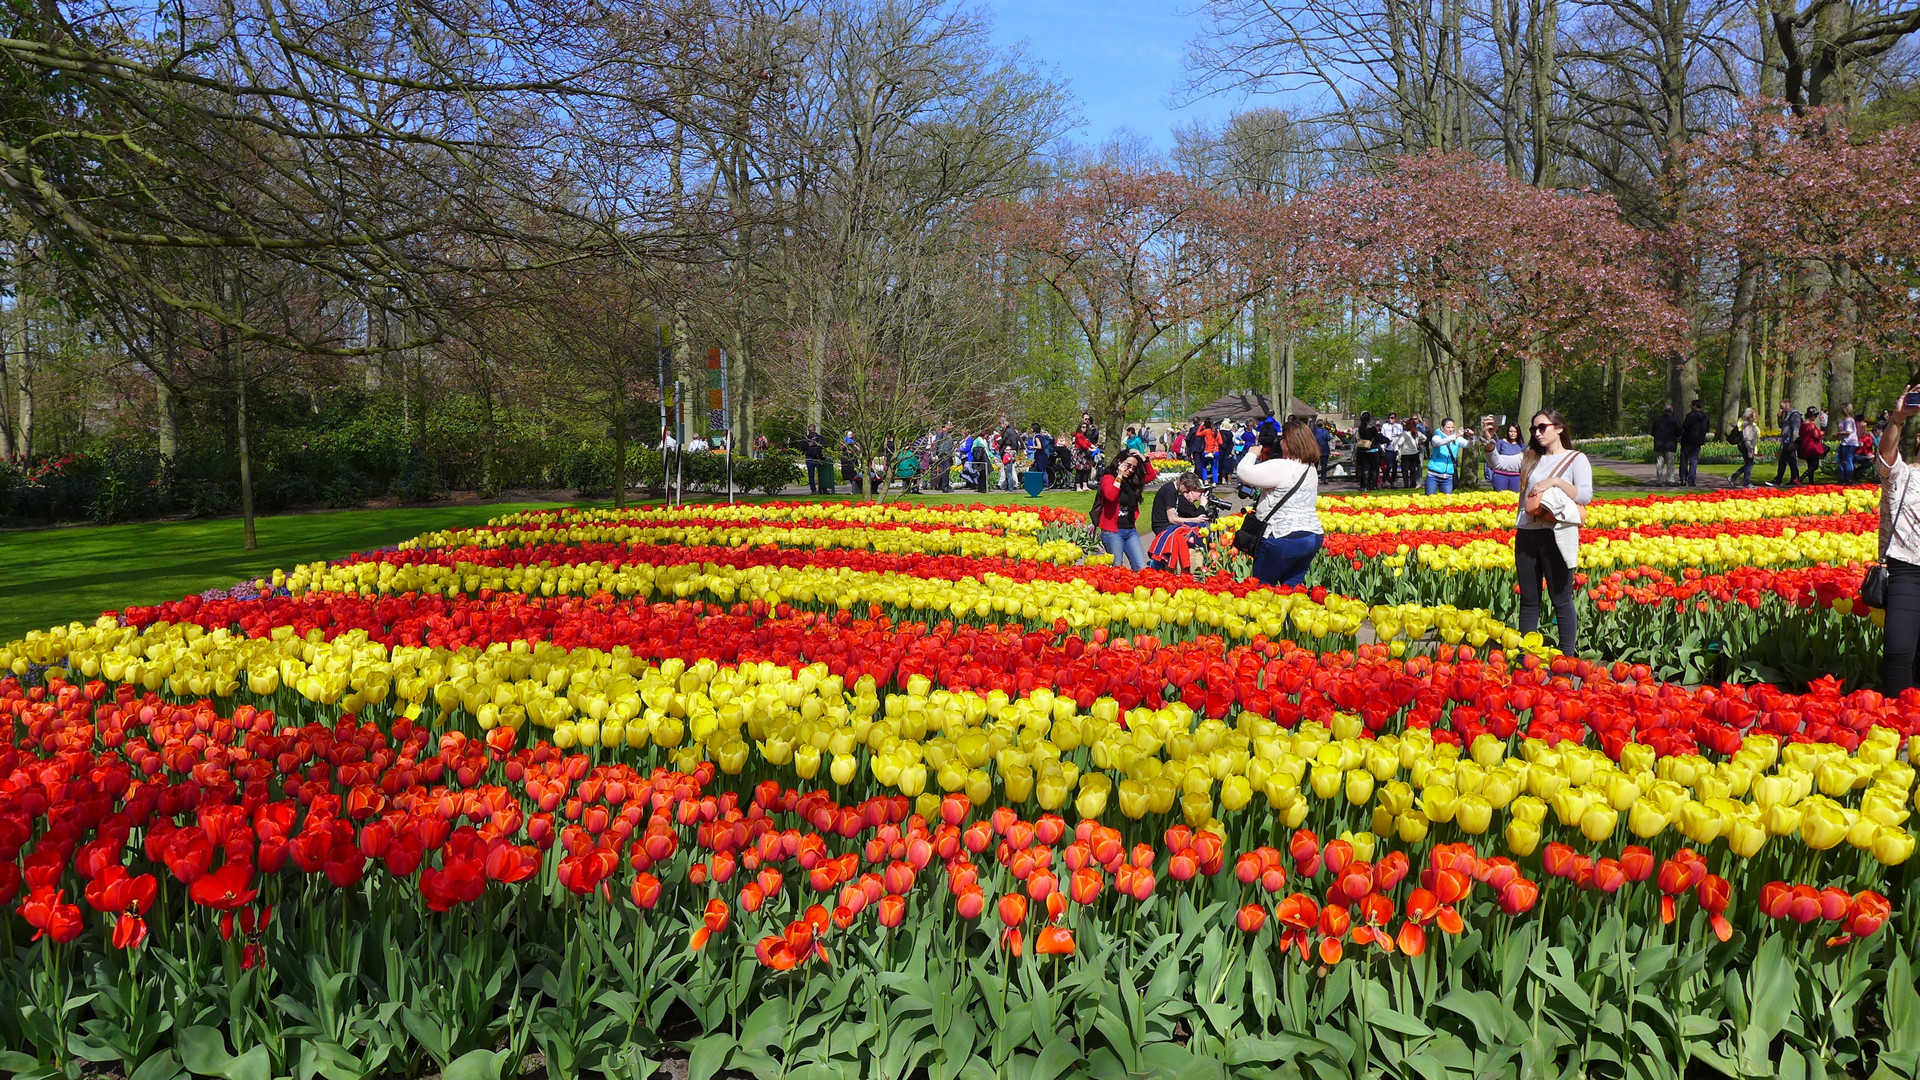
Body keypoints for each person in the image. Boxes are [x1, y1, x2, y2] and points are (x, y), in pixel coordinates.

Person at [1516, 410, 1593, 654]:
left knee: (1561, 599)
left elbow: (1584, 495)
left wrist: (1555, 481)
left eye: (1542, 428)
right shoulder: (1530, 457)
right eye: (1533, 429)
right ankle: (1526, 657)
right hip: (1527, 532)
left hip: (1556, 533)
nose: (1537, 433)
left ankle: (1566, 660)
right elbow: (1498, 462)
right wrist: (1487, 443)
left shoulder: (1576, 459)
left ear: (1559, 428)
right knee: (1529, 599)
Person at [1237, 421, 1324, 587]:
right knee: (1291, 591)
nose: (1280, 441)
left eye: (1283, 438)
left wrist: (1252, 453)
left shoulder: (1283, 466)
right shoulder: (1310, 468)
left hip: (1283, 535)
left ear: (1289, 442)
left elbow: (1243, 472)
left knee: (1263, 589)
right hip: (1312, 535)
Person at [1876, 384, 1920, 694]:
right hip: (1908, 570)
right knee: (1898, 648)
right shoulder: (1902, 475)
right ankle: (1897, 722)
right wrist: (1898, 419)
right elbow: (1886, 454)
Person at [1094, 450, 1155, 570]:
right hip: (1113, 531)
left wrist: (1144, 459)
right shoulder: (1108, 478)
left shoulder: (1133, 481)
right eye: (1128, 465)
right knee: (1117, 567)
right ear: (1119, 462)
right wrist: (1120, 476)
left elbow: (1151, 476)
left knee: (1140, 567)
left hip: (1130, 530)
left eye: (1133, 467)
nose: (1131, 470)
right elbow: (1110, 496)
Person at [1148, 471, 1211, 573]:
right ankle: (1171, 564)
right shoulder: (1170, 491)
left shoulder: (1174, 491)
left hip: (1169, 524)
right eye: (1187, 490)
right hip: (1163, 525)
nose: (1186, 493)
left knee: (1198, 528)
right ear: (1182, 484)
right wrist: (1194, 520)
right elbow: (1172, 518)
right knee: (1190, 532)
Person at [1424, 418, 1468, 494]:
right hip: (1433, 476)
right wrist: (1455, 436)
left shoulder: (1457, 439)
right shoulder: (1436, 437)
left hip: (1448, 477)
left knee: (1447, 502)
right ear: (1442, 428)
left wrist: (1471, 437)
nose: (1451, 430)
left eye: (1452, 427)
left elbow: (1469, 445)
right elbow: (1440, 443)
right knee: (1430, 500)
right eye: (1448, 427)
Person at [1481, 419, 1525, 492]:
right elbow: (1493, 457)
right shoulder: (1501, 442)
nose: (1513, 433)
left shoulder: (1522, 445)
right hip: (1500, 475)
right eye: (1511, 431)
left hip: (1516, 476)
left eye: (1515, 432)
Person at [1771, 401, 1802, 487]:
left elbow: (1796, 430)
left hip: (1790, 441)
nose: (1781, 408)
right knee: (1787, 460)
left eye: (1782, 406)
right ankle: (1792, 479)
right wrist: (1779, 418)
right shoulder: (1787, 415)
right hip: (1785, 441)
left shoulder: (1794, 415)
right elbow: (1781, 426)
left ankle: (1781, 479)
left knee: (1787, 460)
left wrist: (1793, 442)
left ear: (1787, 405)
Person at [1679, 399, 1709, 486]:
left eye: (1692, 405)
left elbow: (1684, 426)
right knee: (1694, 460)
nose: (1691, 407)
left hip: (1687, 440)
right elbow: (1706, 429)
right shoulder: (1705, 417)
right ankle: (1692, 479)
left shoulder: (1690, 416)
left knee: (1684, 459)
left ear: (1695, 406)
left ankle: (1683, 478)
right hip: (1698, 441)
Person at [1728, 408, 1760, 488]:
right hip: (1747, 446)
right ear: (1750, 415)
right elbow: (1747, 438)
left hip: (1747, 446)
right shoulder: (1747, 425)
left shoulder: (1749, 423)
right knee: (1749, 464)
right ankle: (1746, 482)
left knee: (1749, 464)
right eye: (1754, 413)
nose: (1756, 415)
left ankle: (1734, 477)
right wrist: (1749, 450)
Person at [1651, 405, 1681, 485]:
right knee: (1670, 463)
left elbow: (1653, 433)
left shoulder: (1657, 421)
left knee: (1660, 463)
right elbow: (1679, 433)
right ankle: (1670, 479)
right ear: (1671, 411)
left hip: (1659, 444)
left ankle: (1659, 480)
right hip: (1670, 444)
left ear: (1664, 411)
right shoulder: (1675, 421)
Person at [1797, 407, 1827, 482]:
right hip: (1813, 448)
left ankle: (1811, 481)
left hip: (1805, 447)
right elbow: (1817, 436)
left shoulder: (1803, 425)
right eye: (1815, 415)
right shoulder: (1811, 425)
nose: (1816, 417)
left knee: (1810, 465)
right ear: (1812, 416)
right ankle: (1800, 479)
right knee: (1814, 466)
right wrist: (1821, 433)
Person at [1393, 422, 1425, 490]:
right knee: (1413, 470)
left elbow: (1400, 443)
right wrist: (1418, 443)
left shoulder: (1405, 434)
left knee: (1405, 470)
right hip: (1415, 454)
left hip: (1406, 454)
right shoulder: (1417, 433)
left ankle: (1406, 484)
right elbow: (1425, 438)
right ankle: (1412, 484)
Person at [1355, 412, 1382, 490]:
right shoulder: (1372, 428)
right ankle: (1373, 485)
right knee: (1374, 469)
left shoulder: (1361, 428)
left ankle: (1366, 486)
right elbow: (1377, 438)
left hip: (1363, 450)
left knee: (1365, 468)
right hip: (1373, 450)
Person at [799, 426, 829, 494]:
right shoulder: (805, 438)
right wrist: (809, 445)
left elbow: (825, 445)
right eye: (810, 431)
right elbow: (802, 447)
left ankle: (823, 489)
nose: (812, 433)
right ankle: (813, 490)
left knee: (822, 474)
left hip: (818, 457)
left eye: (813, 431)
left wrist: (820, 444)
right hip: (810, 457)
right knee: (811, 474)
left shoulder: (819, 437)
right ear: (808, 430)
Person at [1379, 414, 1403, 486]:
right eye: (1389, 418)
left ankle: (1392, 482)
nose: (1390, 419)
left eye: (1392, 418)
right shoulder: (1385, 426)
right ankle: (1384, 481)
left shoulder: (1399, 426)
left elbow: (1401, 436)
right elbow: (1382, 436)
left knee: (1395, 466)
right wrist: (1382, 446)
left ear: (1395, 418)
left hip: (1396, 447)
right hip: (1388, 447)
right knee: (1389, 465)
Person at [1838, 404, 1859, 483]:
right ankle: (1843, 476)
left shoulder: (1849, 420)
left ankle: (1848, 478)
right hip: (1845, 442)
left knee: (1847, 460)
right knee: (1841, 460)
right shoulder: (1846, 419)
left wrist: (1838, 433)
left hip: (1849, 442)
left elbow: (1848, 431)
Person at [1072, 423, 1096, 491]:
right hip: (1080, 454)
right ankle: (1078, 487)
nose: (1084, 428)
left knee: (1086, 470)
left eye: (1085, 427)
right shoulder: (1078, 435)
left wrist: (1094, 447)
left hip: (1085, 454)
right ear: (1080, 428)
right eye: (1083, 427)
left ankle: (1085, 486)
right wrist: (1090, 449)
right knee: (1079, 471)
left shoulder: (1084, 436)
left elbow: (1088, 443)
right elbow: (1082, 444)